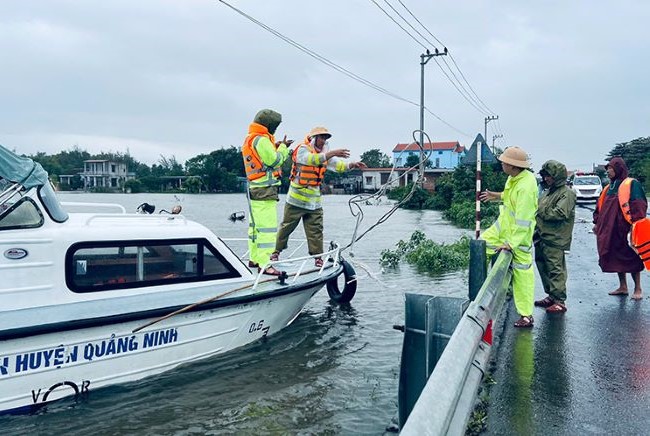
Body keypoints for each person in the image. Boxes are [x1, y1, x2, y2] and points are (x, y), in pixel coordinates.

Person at [271, 126, 366, 266]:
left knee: (316, 230)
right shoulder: (302, 149)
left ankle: (318, 257)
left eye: (325, 138)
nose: (323, 141)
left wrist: (352, 164)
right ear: (313, 138)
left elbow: (338, 166)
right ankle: (275, 253)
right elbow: (312, 160)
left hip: (314, 202)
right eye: (321, 137)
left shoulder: (325, 153)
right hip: (295, 200)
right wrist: (332, 153)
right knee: (286, 228)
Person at [479, 146, 538, 328]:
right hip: (503, 230)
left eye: (504, 162)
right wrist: (495, 196)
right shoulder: (514, 179)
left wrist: (511, 244)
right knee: (480, 245)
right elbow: (509, 197)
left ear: (513, 166)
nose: (502, 163)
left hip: (518, 238)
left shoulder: (526, 187)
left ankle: (526, 315)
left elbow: (524, 220)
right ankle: (482, 293)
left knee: (523, 273)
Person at [241, 109, 293, 275]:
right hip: (265, 191)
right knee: (267, 229)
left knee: (255, 227)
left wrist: (275, 146)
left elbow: (263, 157)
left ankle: (255, 258)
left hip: (255, 188)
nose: (275, 129)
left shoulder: (251, 138)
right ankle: (265, 264)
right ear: (268, 125)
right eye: (275, 125)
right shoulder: (261, 140)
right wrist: (283, 148)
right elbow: (274, 160)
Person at [593, 157, 647, 300]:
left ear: (618, 169)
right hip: (610, 230)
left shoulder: (631, 184)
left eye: (610, 168)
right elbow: (600, 207)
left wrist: (636, 226)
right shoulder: (608, 188)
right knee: (615, 256)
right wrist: (597, 223)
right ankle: (623, 286)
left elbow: (639, 204)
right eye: (608, 169)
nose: (608, 171)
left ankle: (638, 288)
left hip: (626, 229)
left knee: (632, 257)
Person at [533, 160, 576, 313]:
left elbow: (559, 213)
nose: (546, 179)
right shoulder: (547, 192)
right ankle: (551, 295)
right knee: (543, 265)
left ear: (557, 176)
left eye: (549, 176)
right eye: (544, 176)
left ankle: (559, 300)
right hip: (541, 236)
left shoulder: (567, 193)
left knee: (555, 268)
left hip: (555, 237)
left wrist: (538, 211)